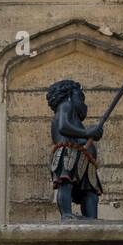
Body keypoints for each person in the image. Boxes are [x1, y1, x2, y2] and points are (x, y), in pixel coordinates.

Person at [47, 79, 104, 220]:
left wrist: (94, 134)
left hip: (84, 158)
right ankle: (66, 214)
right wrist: (87, 133)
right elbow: (63, 127)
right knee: (66, 183)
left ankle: (91, 219)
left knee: (90, 192)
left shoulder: (75, 118)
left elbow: (81, 137)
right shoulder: (66, 106)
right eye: (81, 98)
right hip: (68, 154)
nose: (84, 105)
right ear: (70, 95)